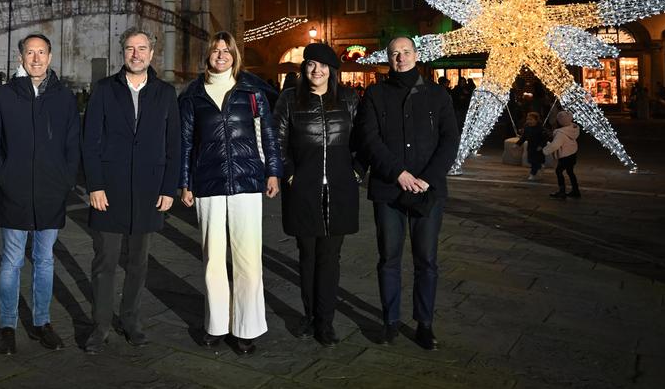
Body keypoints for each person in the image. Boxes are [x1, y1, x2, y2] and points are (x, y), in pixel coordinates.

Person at [179, 31, 282, 356]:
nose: (221, 55)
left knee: (248, 259)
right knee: (212, 260)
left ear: (235, 55)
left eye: (227, 50)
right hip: (208, 183)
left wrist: (274, 171)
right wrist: (185, 181)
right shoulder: (193, 94)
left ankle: (246, 329)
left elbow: (267, 133)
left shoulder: (253, 90)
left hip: (247, 181)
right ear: (207, 55)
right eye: (216, 50)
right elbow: (184, 142)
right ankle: (216, 325)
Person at [81, 29, 180, 353]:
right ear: (122, 53)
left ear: (152, 53)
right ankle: (101, 326)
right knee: (105, 262)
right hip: (109, 191)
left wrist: (169, 188)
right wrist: (94, 185)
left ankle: (132, 320)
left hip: (149, 191)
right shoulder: (105, 89)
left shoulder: (165, 93)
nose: (136, 54)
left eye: (142, 48)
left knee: (139, 262)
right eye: (129, 49)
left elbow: (174, 144)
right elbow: (90, 142)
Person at [357, 36, 458, 351]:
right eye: (394, 53)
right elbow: (369, 139)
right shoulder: (375, 94)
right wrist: (398, 173)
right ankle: (390, 320)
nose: (399, 57)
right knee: (389, 257)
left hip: (428, 191)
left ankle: (424, 323)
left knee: (426, 259)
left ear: (416, 55)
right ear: (388, 58)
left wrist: (426, 178)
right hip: (389, 189)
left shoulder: (438, 94)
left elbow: (449, 139)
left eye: (405, 52)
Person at [0, 33, 81, 355]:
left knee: (44, 260)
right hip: (15, 191)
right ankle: (8, 325)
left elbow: (72, 143)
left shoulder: (64, 97)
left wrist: (66, 180)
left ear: (50, 57)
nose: (36, 59)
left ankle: (42, 322)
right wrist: (3, 177)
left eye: (42, 53)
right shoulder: (4, 95)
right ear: (21, 57)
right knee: (12, 261)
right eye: (30, 53)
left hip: (51, 192)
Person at [272, 43, 361, 347]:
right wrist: (291, 173)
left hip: (339, 189)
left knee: (330, 258)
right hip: (303, 190)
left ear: (332, 70)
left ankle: (326, 322)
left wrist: (357, 172)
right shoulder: (289, 100)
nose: (316, 70)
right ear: (304, 68)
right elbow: (277, 141)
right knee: (308, 256)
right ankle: (310, 317)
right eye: (310, 64)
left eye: (322, 65)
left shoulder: (348, 98)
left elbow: (363, 139)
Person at [544, 110, 580, 199]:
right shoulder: (573, 128)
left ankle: (562, 191)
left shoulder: (561, 133)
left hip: (565, 155)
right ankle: (575, 191)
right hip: (572, 154)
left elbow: (555, 145)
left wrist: (545, 150)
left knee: (558, 171)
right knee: (570, 172)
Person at [516, 111, 547, 182]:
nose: (528, 121)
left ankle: (532, 174)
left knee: (535, 161)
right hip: (530, 147)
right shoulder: (527, 128)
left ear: (536, 120)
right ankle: (539, 167)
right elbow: (523, 137)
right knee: (531, 161)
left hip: (538, 149)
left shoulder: (540, 128)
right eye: (528, 119)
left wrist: (541, 146)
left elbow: (544, 139)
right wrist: (517, 144)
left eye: (531, 119)